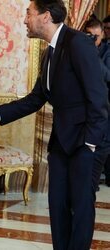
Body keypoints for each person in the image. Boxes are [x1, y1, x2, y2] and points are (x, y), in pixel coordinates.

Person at [0, 0, 108, 249]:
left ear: (45, 16)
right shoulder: (49, 51)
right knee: (57, 204)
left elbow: (98, 98)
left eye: (29, 14)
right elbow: (35, 99)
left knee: (80, 208)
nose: (25, 19)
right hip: (61, 142)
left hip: (86, 141)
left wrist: (90, 143)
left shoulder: (78, 43)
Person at [84, 18, 110, 188]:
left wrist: (93, 55)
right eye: (88, 36)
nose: (93, 40)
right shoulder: (77, 50)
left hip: (104, 112)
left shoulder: (107, 52)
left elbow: (108, 76)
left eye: (96, 36)